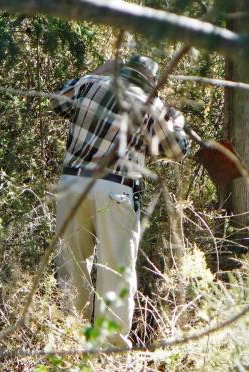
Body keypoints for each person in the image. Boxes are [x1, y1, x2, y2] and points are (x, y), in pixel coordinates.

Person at [51, 55, 188, 348]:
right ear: (151, 81)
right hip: (115, 188)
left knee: (72, 263)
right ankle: (109, 348)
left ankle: (68, 336)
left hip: (72, 184)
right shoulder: (152, 105)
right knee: (116, 269)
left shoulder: (89, 84)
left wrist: (98, 71)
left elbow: (57, 101)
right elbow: (175, 150)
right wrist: (177, 123)